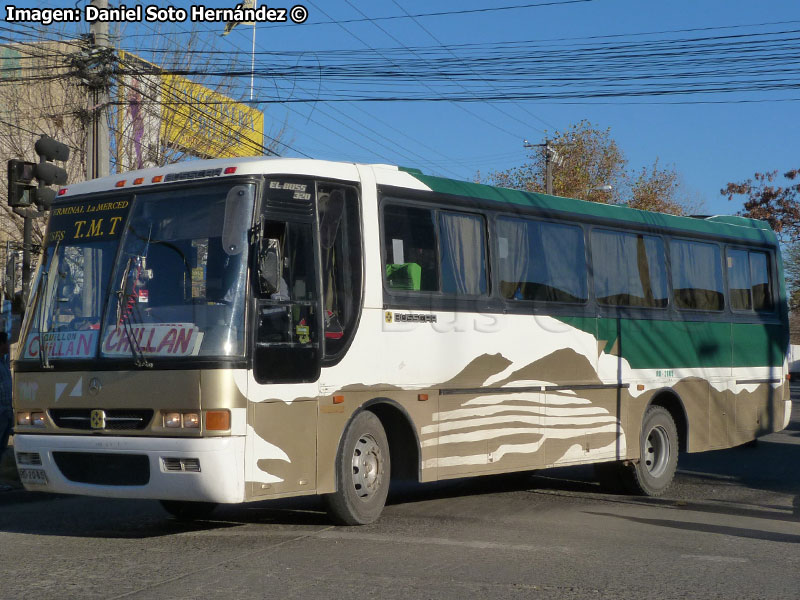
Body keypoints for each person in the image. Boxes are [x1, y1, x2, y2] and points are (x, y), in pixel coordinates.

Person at [0, 331, 13, 491]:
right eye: (5, 343)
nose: (8, 346)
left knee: (2, 449)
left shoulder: (4, 362)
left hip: (6, 411)